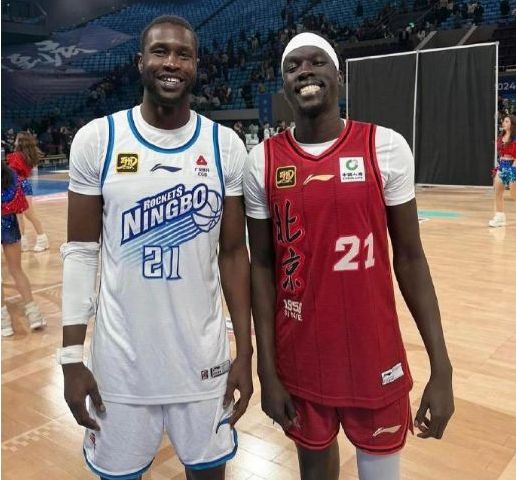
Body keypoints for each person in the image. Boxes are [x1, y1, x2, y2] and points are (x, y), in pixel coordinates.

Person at [243, 32, 454, 480]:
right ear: (284, 85)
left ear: (338, 75)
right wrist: (267, 370)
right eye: (293, 66)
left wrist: (442, 367)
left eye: (317, 61)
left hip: (374, 353)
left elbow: (411, 259)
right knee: (315, 470)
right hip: (300, 359)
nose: (305, 71)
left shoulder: (385, 146)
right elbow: (260, 265)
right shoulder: (262, 161)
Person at [59, 16, 252, 480]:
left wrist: (245, 352)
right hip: (120, 365)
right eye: (160, 51)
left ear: (196, 65)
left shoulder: (225, 145)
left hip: (202, 361)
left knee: (209, 474)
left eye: (183, 54)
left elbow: (233, 255)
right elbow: (81, 253)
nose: (172, 62)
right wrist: (70, 358)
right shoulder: (98, 140)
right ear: (140, 61)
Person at [1, 159, 46, 336]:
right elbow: (21, 204)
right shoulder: (10, 175)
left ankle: (4, 322)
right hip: (10, 225)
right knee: (17, 270)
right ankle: (34, 314)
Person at [7, 131, 49, 252]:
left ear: (20, 142)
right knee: (19, 216)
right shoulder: (25, 156)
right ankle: (22, 243)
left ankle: (43, 240)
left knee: (29, 214)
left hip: (21, 186)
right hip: (17, 185)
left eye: (16, 139)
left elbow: (12, 171)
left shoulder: (17, 156)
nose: (14, 141)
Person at [489, 114, 516, 227]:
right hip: (502, 166)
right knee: (498, 192)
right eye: (504, 121)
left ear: (512, 124)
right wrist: (500, 167)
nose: (504, 123)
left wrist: (512, 170)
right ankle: (500, 217)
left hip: (513, 166)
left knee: (514, 195)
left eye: (506, 121)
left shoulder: (515, 138)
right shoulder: (501, 137)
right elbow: (501, 154)